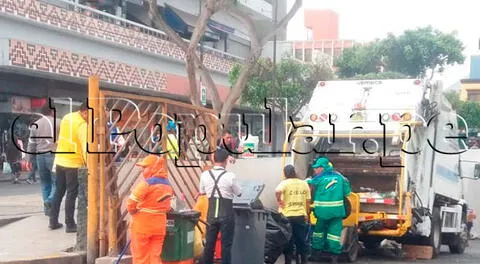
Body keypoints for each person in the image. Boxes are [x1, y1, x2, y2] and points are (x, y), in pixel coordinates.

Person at [127, 155, 173, 264]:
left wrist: (133, 211)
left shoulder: (146, 184)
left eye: (145, 167)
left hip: (142, 226)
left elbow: (130, 203)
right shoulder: (168, 185)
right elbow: (167, 207)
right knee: (155, 257)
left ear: (153, 167)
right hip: (159, 226)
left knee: (140, 257)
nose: (142, 171)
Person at [49, 102, 88, 232]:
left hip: (60, 160)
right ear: (85, 112)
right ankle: (70, 224)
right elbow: (85, 148)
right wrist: (89, 165)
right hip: (73, 163)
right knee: (71, 194)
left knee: (59, 192)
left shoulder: (67, 117)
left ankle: (53, 221)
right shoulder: (82, 125)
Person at [200, 148, 242, 264]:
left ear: (213, 159)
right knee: (226, 245)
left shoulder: (204, 175)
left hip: (211, 214)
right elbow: (239, 192)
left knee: (209, 244)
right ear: (225, 161)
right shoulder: (230, 176)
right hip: (227, 214)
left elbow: (202, 191)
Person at [307, 157, 351, 264]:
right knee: (335, 235)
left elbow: (309, 188)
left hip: (322, 212)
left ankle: (315, 255)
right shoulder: (341, 178)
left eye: (317, 168)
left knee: (318, 233)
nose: (315, 170)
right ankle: (334, 258)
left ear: (322, 168)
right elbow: (347, 193)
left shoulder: (317, 179)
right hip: (337, 212)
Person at [26, 105, 59, 216]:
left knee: (45, 184)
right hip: (54, 156)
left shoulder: (35, 125)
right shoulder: (59, 123)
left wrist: (28, 159)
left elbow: (31, 144)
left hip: (40, 156)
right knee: (57, 183)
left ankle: (47, 211)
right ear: (52, 112)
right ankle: (49, 201)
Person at [275, 165, 311, 264]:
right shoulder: (304, 183)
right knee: (301, 240)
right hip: (300, 215)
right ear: (294, 172)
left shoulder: (284, 183)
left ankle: (288, 261)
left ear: (285, 173)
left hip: (286, 216)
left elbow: (277, 191)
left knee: (289, 241)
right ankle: (303, 261)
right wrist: (306, 213)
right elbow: (308, 201)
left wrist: (279, 201)